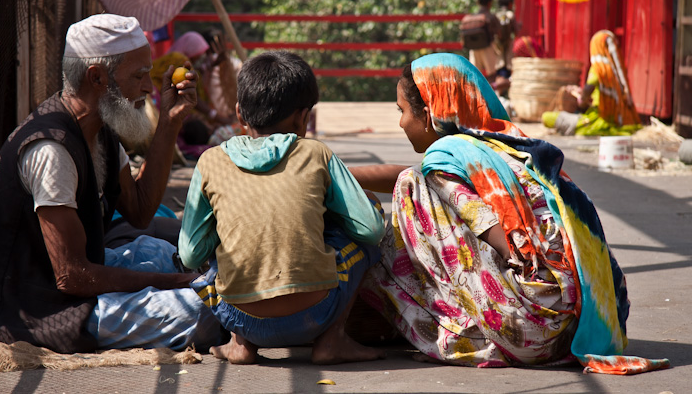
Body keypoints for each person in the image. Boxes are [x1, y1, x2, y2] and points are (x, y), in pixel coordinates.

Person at [350, 53, 668, 374]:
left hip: (529, 331)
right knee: (416, 183)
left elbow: (498, 238)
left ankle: (456, 334)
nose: (401, 122)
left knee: (406, 194)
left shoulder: (443, 157)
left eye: (402, 111)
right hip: (577, 332)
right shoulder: (508, 149)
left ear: (430, 112)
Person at [0, 14, 223, 354]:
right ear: (97, 77)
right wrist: (172, 284)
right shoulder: (51, 151)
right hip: (41, 311)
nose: (149, 88)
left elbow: (138, 211)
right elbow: (71, 276)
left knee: (160, 252)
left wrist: (169, 123)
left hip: (75, 284)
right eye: (139, 76)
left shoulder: (100, 132)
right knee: (203, 311)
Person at [178, 51, 386, 365]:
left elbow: (190, 255)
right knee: (369, 224)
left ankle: (240, 344)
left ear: (239, 113)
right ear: (303, 117)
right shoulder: (317, 153)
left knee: (217, 236)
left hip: (238, 315)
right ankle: (333, 341)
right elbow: (370, 230)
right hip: (315, 314)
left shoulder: (210, 161)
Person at [542, 30, 642, 136]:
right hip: (615, 120)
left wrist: (581, 98)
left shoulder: (598, 69)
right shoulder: (617, 73)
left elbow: (588, 90)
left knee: (546, 117)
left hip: (596, 119)